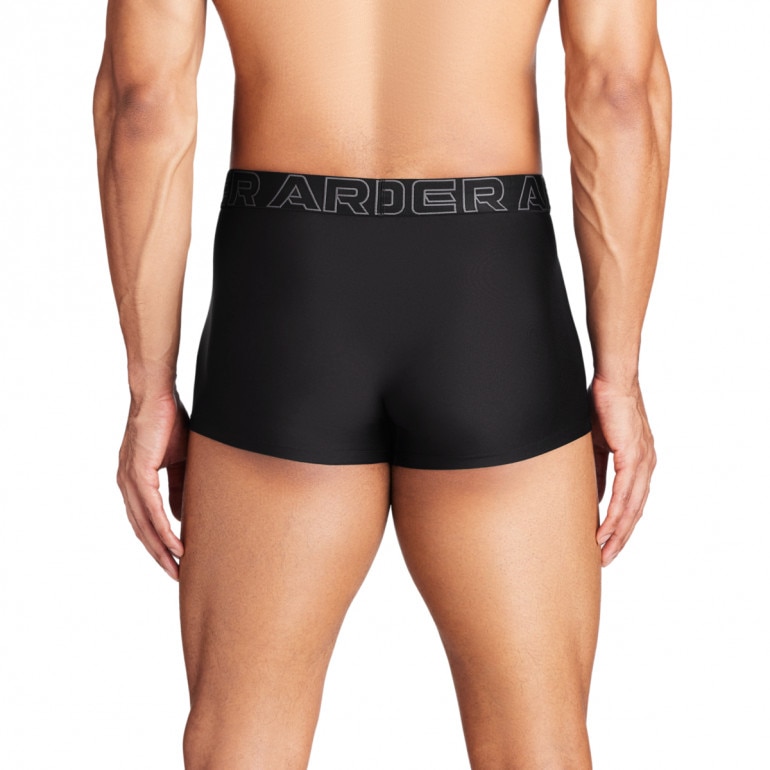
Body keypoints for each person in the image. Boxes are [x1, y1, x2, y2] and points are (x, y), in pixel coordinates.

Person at [93, 0, 670, 766]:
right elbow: (618, 89)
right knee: (537, 746)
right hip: (489, 295)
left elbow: (144, 100)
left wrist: (149, 388)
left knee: (241, 742)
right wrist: (619, 376)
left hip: (287, 291)